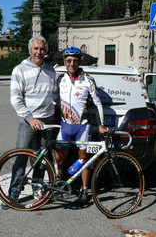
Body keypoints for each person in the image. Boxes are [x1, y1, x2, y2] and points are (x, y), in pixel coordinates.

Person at [0, 36, 58, 209]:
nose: (39, 52)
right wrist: (30, 118)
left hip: (47, 121)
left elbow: (55, 96)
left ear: (46, 51)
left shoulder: (51, 71)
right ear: (30, 50)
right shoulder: (19, 70)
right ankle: (14, 193)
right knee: (21, 158)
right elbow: (16, 99)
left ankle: (38, 190)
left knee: (41, 159)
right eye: (36, 49)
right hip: (28, 122)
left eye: (42, 49)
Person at [55, 46, 107, 203]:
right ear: (64, 61)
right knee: (59, 160)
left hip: (82, 127)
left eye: (75, 60)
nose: (72, 63)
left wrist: (101, 125)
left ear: (80, 61)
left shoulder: (88, 80)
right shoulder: (59, 79)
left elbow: (98, 104)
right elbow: (53, 101)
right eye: (68, 60)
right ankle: (58, 185)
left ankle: (84, 190)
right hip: (65, 126)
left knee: (83, 159)